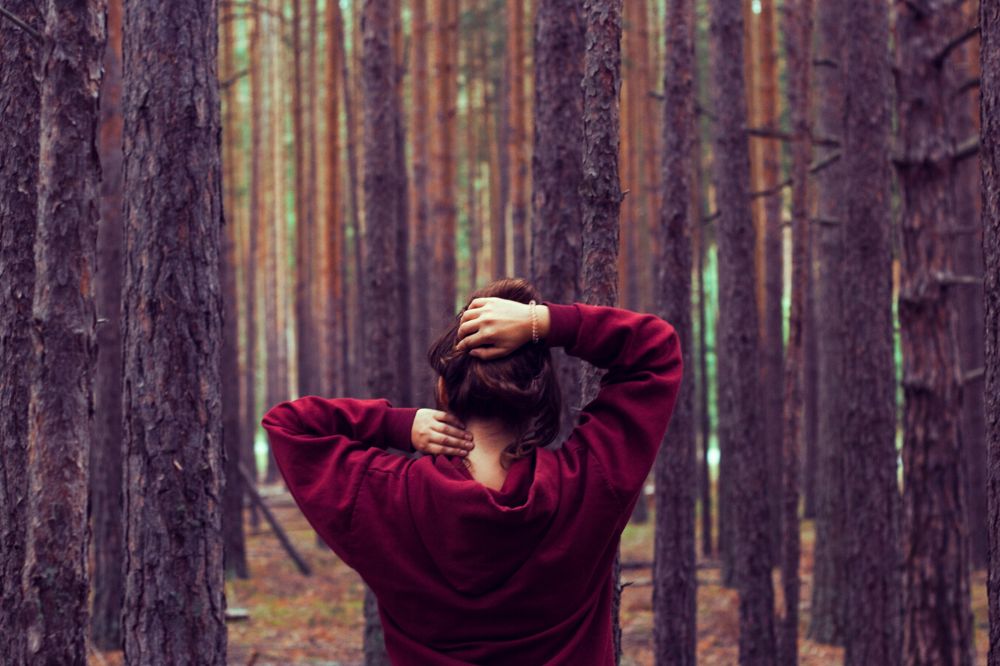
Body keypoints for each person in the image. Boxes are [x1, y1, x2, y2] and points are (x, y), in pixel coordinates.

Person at [260, 277, 683, 665]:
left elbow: (289, 425)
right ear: (536, 395)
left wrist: (397, 424)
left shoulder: (384, 497)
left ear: (446, 388)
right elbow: (655, 350)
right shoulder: (588, 485)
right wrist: (544, 323)